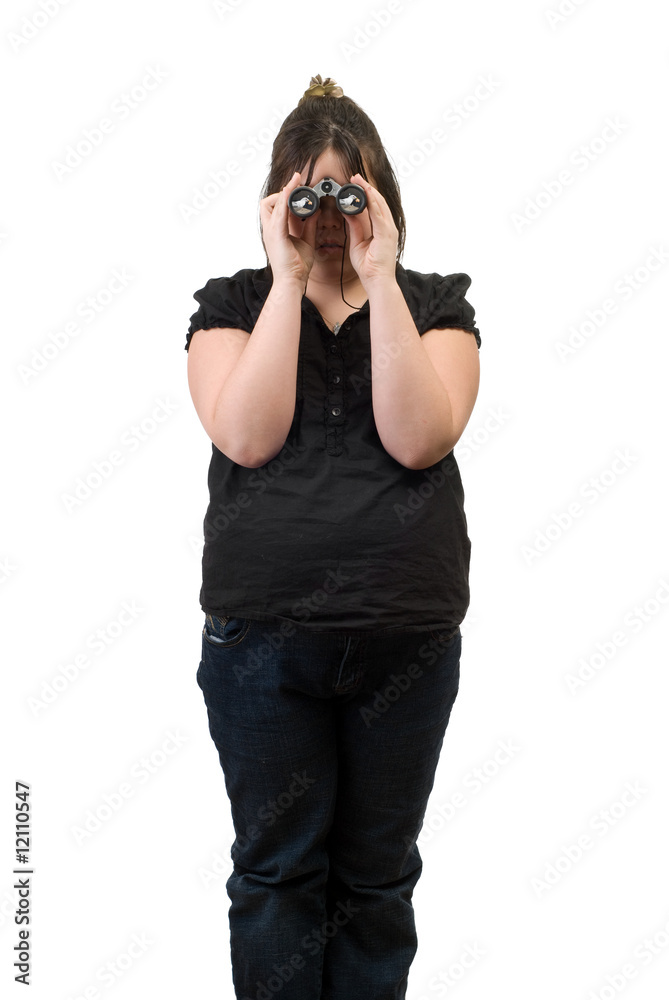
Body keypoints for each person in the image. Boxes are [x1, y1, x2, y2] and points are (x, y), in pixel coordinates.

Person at [185, 74, 482, 1000]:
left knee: (377, 879)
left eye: (346, 195)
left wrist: (379, 277)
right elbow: (245, 436)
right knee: (277, 873)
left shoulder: (434, 306)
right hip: (263, 641)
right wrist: (286, 281)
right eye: (307, 195)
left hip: (404, 637)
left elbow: (419, 437)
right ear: (277, 199)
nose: (325, 218)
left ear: (378, 197)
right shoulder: (231, 306)